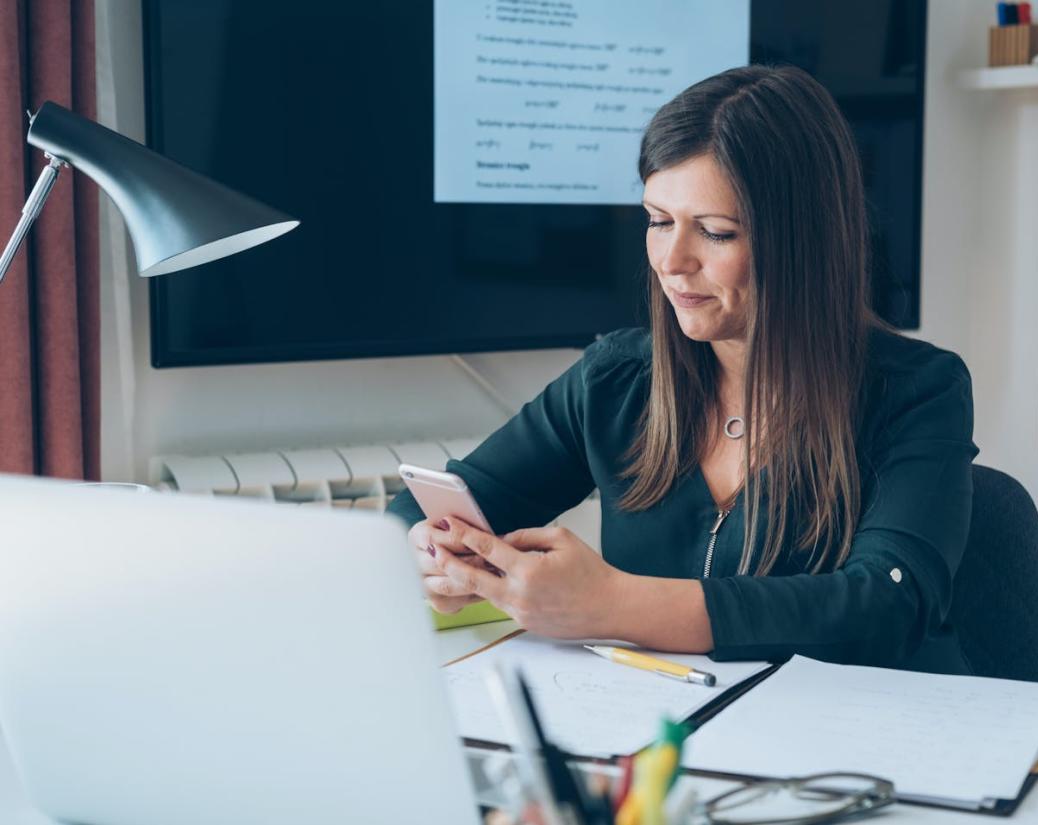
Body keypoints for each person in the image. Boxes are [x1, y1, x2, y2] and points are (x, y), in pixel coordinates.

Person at [388, 65, 978, 673]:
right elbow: (430, 508)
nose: (672, 261)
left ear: (803, 240)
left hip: (867, 741)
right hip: (679, 741)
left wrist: (612, 603)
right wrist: (431, 553)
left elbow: (888, 603)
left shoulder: (918, 389)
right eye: (658, 221)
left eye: (716, 233)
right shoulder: (615, 380)